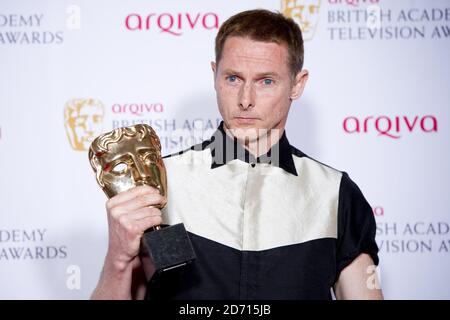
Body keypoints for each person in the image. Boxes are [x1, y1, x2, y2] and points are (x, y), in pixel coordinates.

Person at [91, 9, 383, 300]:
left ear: (297, 84)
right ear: (214, 76)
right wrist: (118, 260)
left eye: (266, 81)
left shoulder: (334, 193)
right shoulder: (160, 183)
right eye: (233, 79)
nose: (246, 100)